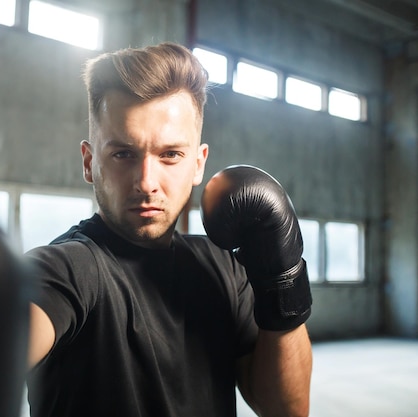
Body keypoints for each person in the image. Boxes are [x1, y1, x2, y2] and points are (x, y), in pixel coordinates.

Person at [24, 42, 313, 417]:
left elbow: (287, 410)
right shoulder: (68, 269)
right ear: (89, 161)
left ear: (198, 163)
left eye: (170, 155)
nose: (146, 182)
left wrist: (283, 280)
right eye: (123, 154)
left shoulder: (224, 268)